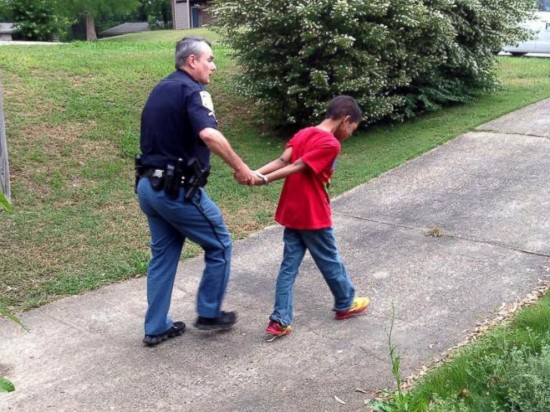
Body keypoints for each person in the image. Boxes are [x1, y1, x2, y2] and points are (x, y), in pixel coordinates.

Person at [136, 36, 257, 346]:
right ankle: (209, 313)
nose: (213, 67)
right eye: (209, 60)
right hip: (175, 191)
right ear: (192, 61)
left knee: (163, 257)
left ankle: (156, 326)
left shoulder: (161, 88)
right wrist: (241, 167)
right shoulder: (193, 91)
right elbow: (209, 135)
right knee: (220, 243)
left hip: (148, 187)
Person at [251, 95, 370, 338]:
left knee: (288, 267)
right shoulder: (330, 143)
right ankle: (345, 303)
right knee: (330, 259)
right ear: (346, 120)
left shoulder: (304, 133)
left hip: (293, 212)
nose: (350, 134)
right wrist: (260, 178)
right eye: (352, 128)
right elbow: (297, 166)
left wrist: (254, 174)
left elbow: (282, 160)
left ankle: (280, 319)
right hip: (313, 213)